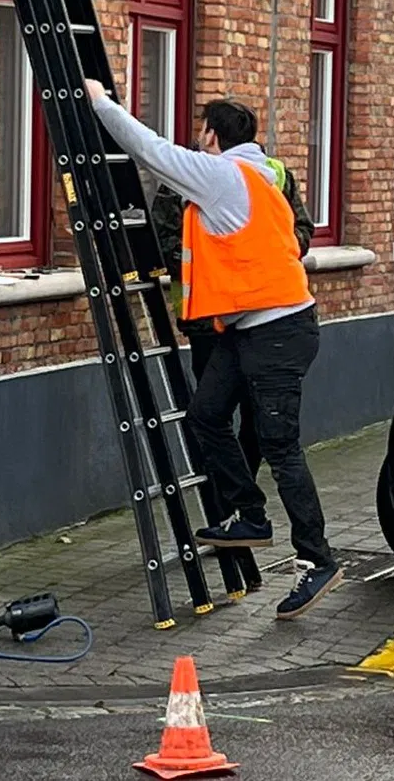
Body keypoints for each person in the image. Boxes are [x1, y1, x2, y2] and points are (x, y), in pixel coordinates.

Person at [84, 80, 342, 619]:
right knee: (205, 414)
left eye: (201, 133)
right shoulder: (260, 172)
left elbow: (149, 149)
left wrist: (101, 102)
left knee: (280, 445)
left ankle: (317, 559)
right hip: (246, 328)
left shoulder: (222, 175)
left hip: (278, 330)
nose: (196, 142)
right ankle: (250, 514)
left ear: (211, 136)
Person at [150, 152, 314, 542]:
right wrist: (208, 264)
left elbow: (300, 230)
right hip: (208, 322)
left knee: (262, 428)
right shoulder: (186, 175)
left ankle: (246, 511)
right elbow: (163, 238)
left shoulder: (273, 173)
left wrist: (262, 251)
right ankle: (232, 507)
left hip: (260, 318)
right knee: (209, 415)